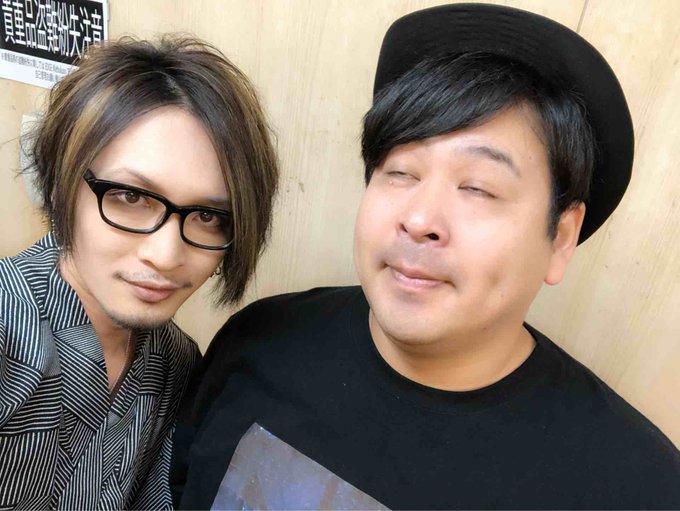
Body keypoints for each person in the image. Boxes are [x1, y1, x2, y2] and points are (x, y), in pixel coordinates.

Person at [172, 4, 680, 510]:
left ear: (561, 236)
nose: (419, 219)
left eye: (478, 188)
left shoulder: (638, 488)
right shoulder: (257, 342)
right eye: (401, 172)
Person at [0, 36, 278, 510]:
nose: (166, 255)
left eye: (208, 216)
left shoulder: (176, 363)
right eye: (131, 196)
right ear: (61, 182)